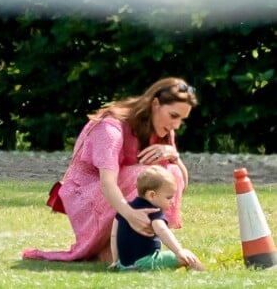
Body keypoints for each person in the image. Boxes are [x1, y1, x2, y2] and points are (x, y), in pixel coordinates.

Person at [22, 76, 198, 262]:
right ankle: (110, 245)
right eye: (174, 116)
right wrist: (131, 215)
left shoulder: (163, 131)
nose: (176, 125)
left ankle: (140, 242)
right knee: (145, 175)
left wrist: (174, 155)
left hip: (122, 195)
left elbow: (178, 183)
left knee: (172, 171)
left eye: (182, 120)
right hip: (89, 195)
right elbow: (107, 183)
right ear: (155, 104)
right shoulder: (110, 127)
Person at [109, 165, 205, 271]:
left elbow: (113, 235)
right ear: (152, 195)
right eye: (168, 197)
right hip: (147, 262)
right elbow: (162, 230)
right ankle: (204, 275)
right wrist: (179, 251)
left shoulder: (124, 210)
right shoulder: (153, 211)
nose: (172, 201)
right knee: (188, 256)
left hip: (124, 266)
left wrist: (115, 261)